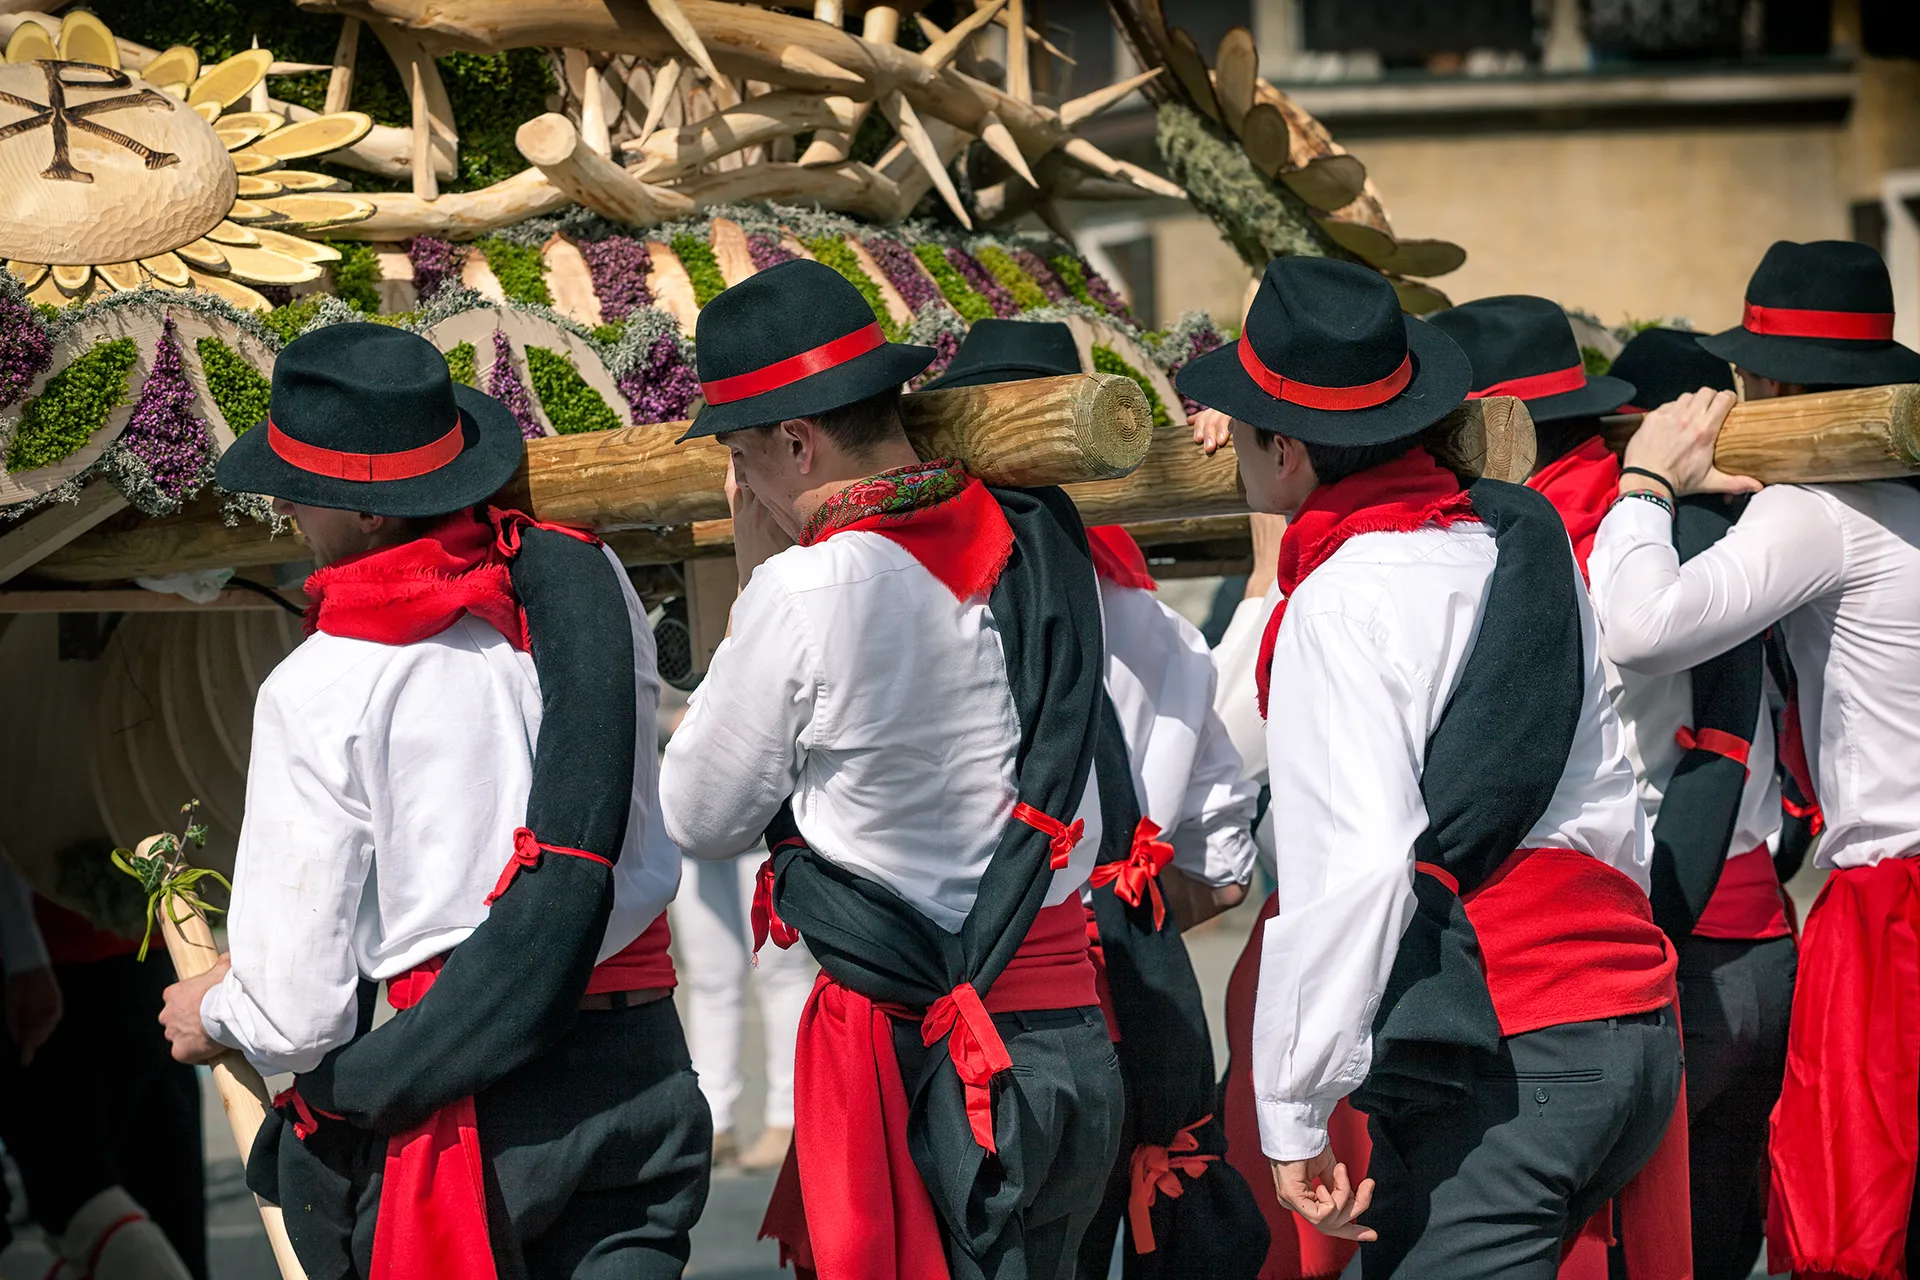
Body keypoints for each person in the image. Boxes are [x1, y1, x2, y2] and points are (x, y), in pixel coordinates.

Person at [155, 324, 704, 1279]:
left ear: (367, 516)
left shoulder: (321, 687)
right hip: (643, 1062)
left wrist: (217, 1012)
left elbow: (298, 1015)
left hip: (473, 1088)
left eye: (300, 486)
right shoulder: (587, 582)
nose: (284, 504)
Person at [1177, 255, 1686, 1277]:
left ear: (1283, 449)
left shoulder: (1341, 598)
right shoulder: (1509, 540)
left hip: (1511, 1045)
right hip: (1631, 1024)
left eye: (1239, 425)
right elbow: (1614, 798)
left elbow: (1359, 864)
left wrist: (1293, 1107)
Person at [659, 261, 1124, 1280]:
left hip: (942, 1060)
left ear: (796, 440)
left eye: (744, 456)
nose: (745, 486)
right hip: (1073, 1033)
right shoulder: (1032, 533)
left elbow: (700, 811)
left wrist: (750, 584)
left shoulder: (807, 586)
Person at [1588, 238, 1920, 1280]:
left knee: (1847, 1228)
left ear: (1767, 384)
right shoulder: (1901, 494)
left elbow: (1640, 627)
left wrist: (1646, 481)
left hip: (1892, 906)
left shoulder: (1815, 509)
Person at [921, 319, 1270, 1278]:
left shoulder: (921, 615)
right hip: (1127, 1031)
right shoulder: (1158, 629)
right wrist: (1121, 920)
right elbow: (1226, 873)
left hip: (974, 1030)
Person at [0, 863, 200, 1280]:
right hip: (132, 952)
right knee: (157, 1194)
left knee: (81, 1196)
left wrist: (22, 956)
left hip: (70, 966)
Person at [669, 849, 813, 1171]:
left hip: (761, 827)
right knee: (709, 978)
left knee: (782, 971)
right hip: (691, 832)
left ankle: (788, 1116)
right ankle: (714, 1118)